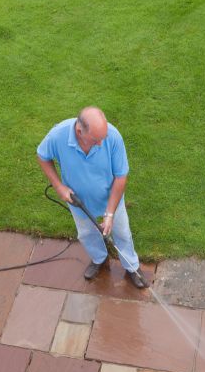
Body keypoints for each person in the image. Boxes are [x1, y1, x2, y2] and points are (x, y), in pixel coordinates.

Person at [37, 107, 146, 288]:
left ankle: (132, 267)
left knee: (122, 234)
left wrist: (109, 213)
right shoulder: (58, 136)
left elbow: (121, 177)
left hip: (110, 199)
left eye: (103, 138)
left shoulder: (112, 137)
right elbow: (42, 156)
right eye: (96, 140)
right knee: (86, 234)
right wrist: (58, 186)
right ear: (79, 131)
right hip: (78, 202)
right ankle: (99, 259)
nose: (101, 144)